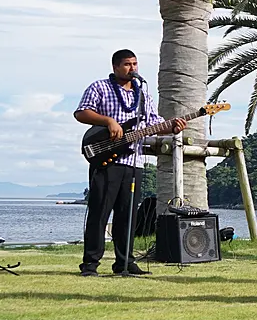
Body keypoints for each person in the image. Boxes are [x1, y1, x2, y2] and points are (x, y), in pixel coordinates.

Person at [74, 49, 185, 277]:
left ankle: (125, 262)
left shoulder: (142, 93)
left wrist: (172, 127)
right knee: (99, 214)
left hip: (134, 161)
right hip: (107, 160)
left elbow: (153, 123)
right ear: (115, 67)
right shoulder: (100, 87)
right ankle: (90, 265)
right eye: (127, 64)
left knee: (128, 216)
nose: (132, 68)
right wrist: (109, 121)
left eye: (135, 64)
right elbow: (81, 113)